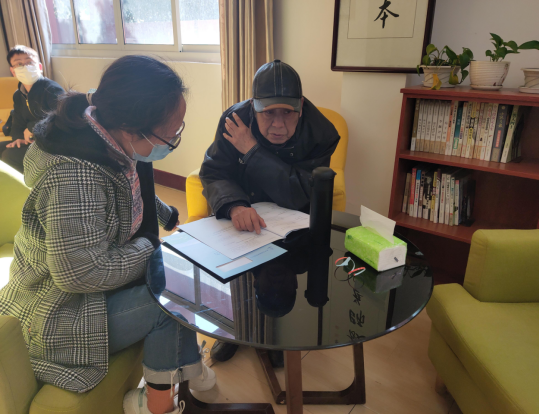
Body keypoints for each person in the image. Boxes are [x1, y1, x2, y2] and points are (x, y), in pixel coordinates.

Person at [0, 55, 215, 414]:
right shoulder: (74, 178)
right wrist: (151, 247)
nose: (174, 138)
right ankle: (154, 405)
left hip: (84, 287)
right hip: (59, 311)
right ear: (132, 129)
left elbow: (129, 188)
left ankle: (187, 367)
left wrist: (168, 216)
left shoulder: (103, 128)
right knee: (174, 299)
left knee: (181, 278)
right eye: (171, 133)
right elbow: (79, 273)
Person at [199, 59, 340, 363]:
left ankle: (278, 339)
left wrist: (252, 150)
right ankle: (234, 331)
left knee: (294, 263)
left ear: (301, 107)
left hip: (294, 225)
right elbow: (213, 172)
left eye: (287, 113)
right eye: (268, 113)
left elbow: (298, 193)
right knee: (230, 275)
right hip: (243, 217)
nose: (278, 124)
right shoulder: (234, 121)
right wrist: (234, 204)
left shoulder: (321, 133)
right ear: (253, 106)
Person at [0, 45, 64, 173]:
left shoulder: (52, 89)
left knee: (9, 157)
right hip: (33, 140)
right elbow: (17, 122)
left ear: (39, 67)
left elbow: (61, 119)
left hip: (53, 143)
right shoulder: (18, 95)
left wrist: (31, 127)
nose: (25, 67)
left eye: (29, 62)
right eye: (19, 64)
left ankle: (31, 184)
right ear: (13, 71)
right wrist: (18, 139)